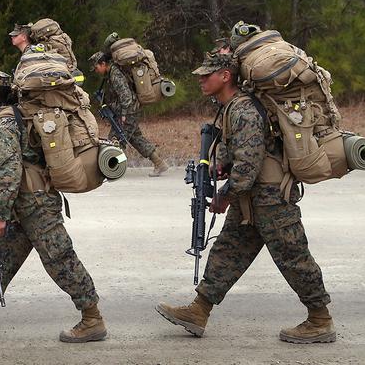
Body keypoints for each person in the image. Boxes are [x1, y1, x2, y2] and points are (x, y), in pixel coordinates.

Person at [156, 53, 335, 343]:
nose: (201, 80)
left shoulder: (243, 110)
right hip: (252, 197)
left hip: (271, 197)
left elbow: (248, 166)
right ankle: (199, 310)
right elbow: (238, 153)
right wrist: (217, 168)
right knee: (227, 250)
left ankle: (320, 319)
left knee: (293, 256)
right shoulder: (229, 108)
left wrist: (225, 196)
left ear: (226, 76)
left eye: (207, 75)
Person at [0, 68, 107, 343]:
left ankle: (93, 319)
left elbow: (9, 171)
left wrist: (1, 215)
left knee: (60, 258)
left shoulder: (5, 122)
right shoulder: (11, 117)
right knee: (3, 257)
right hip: (27, 202)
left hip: (35, 203)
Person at [89, 51, 168, 176]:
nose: (96, 71)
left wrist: (124, 115)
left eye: (97, 67)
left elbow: (126, 96)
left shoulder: (115, 74)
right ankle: (159, 163)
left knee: (116, 140)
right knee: (135, 139)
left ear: (103, 63)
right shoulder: (111, 74)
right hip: (130, 110)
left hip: (128, 112)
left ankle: (112, 168)